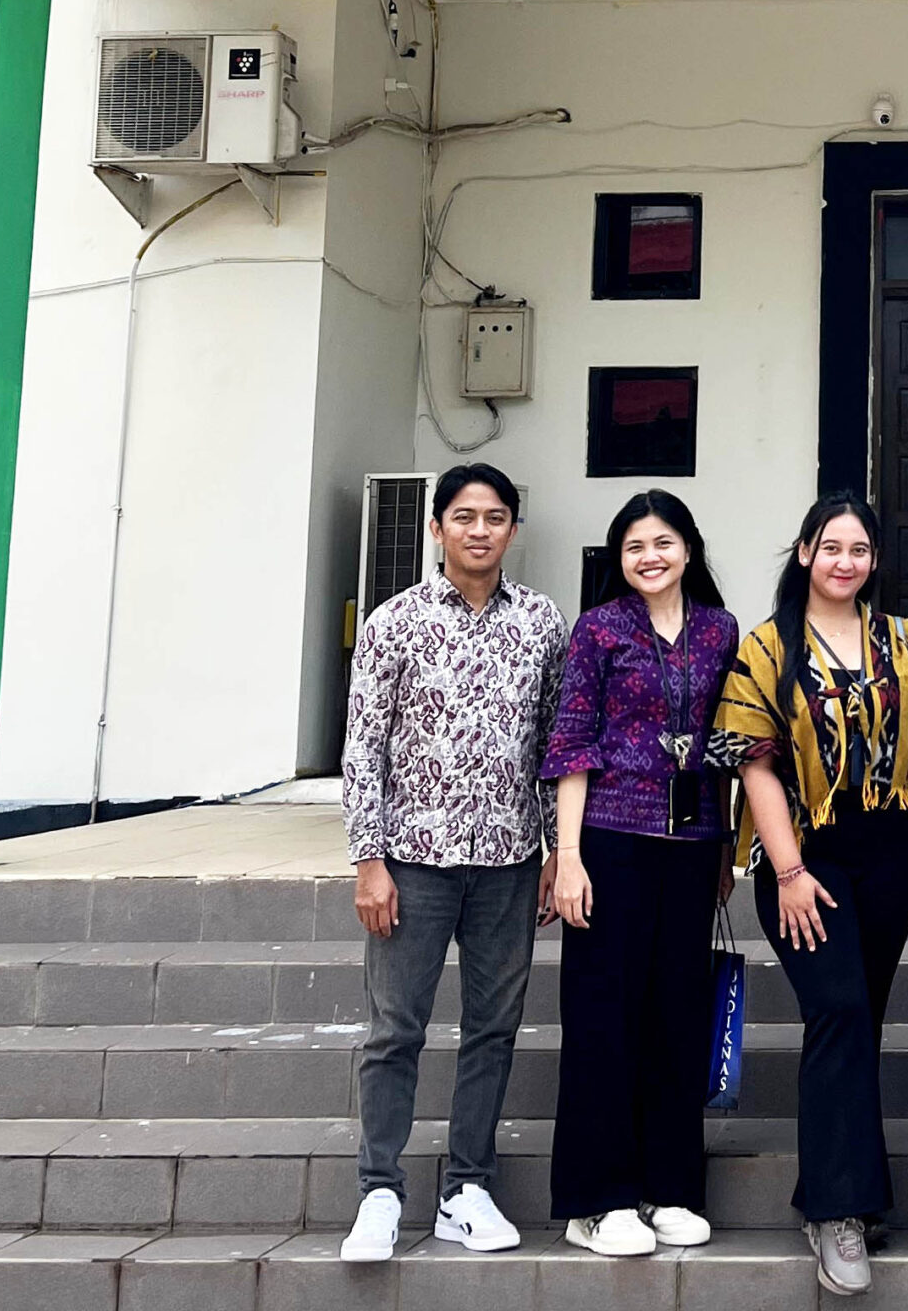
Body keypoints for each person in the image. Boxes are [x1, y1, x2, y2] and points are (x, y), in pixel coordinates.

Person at [713, 494, 908, 1299]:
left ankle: (838, 1188)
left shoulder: (902, 642)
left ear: (875, 560)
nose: (844, 562)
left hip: (887, 849)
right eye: (830, 547)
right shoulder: (766, 646)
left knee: (860, 1020)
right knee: (840, 1011)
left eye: (859, 550)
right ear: (805, 552)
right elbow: (752, 765)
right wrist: (786, 872)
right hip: (806, 855)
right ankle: (838, 1210)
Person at [337, 463, 566, 1264]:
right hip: (413, 862)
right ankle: (379, 1192)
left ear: (512, 529)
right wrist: (368, 859)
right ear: (437, 528)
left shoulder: (541, 622)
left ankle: (467, 1187)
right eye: (464, 516)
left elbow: (550, 748)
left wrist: (555, 852)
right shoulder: (393, 623)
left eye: (495, 517)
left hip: (508, 861)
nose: (479, 530)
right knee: (395, 1029)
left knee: (493, 1028)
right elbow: (363, 745)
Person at [542, 489, 742, 1258]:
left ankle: (671, 1189)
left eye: (662, 542)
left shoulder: (721, 631)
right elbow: (571, 746)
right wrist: (568, 859)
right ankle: (598, 1199)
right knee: (604, 1017)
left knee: (676, 1015)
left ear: (688, 548)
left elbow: (731, 744)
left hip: (693, 846)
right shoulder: (599, 630)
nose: (649, 557)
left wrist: (724, 847)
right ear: (618, 560)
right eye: (634, 547)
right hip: (610, 842)